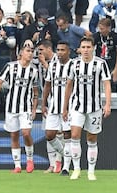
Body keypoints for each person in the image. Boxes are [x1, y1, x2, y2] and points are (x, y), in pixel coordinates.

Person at [62, 36, 111, 181]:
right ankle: (76, 169)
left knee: (91, 138)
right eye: (83, 47)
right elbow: (69, 85)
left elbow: (107, 84)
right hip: (77, 106)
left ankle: (91, 171)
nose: (85, 50)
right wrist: (64, 107)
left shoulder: (100, 64)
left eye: (88, 47)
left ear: (93, 48)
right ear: (79, 49)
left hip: (95, 107)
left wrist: (108, 104)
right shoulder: (74, 64)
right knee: (75, 135)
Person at [0, 42, 38, 174]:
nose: (30, 53)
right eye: (28, 51)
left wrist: (34, 109)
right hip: (11, 107)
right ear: (21, 53)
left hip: (25, 107)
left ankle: (29, 159)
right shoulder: (10, 67)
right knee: (14, 135)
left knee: (26, 133)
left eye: (32, 51)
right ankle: (17, 165)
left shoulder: (34, 71)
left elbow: (35, 92)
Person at [42, 40, 73, 176]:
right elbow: (47, 85)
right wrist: (43, 104)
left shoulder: (74, 65)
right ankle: (67, 155)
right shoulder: (52, 66)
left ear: (68, 52)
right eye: (58, 50)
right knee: (49, 135)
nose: (60, 53)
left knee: (67, 135)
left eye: (63, 50)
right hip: (54, 106)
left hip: (70, 107)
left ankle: (65, 167)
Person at [93, 18, 117, 94]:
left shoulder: (116, 37)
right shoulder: (96, 36)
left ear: (108, 28)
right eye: (99, 28)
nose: (100, 30)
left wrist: (116, 69)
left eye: (102, 29)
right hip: (100, 64)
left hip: (112, 64)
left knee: (113, 85)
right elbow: (90, 47)